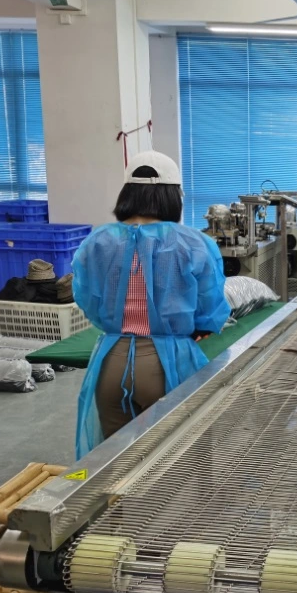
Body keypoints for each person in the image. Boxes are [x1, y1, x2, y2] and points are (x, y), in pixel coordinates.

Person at [72, 151, 229, 459]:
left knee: (113, 465)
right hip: (168, 363)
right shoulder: (193, 243)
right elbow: (210, 307)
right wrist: (201, 328)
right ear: (173, 196)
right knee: (177, 462)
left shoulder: (98, 242)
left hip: (109, 363)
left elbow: (87, 299)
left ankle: (116, 510)